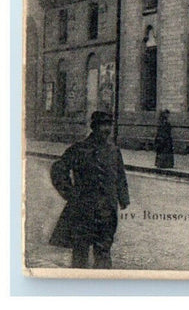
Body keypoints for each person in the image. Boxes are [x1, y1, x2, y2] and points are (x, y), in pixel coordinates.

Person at [49, 111, 130, 268]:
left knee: (104, 251)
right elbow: (58, 169)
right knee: (80, 252)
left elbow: (120, 176)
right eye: (103, 125)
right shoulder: (79, 149)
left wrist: (123, 197)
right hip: (83, 211)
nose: (107, 129)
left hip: (107, 211)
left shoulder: (114, 151)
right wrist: (70, 193)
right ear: (94, 127)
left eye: (109, 125)